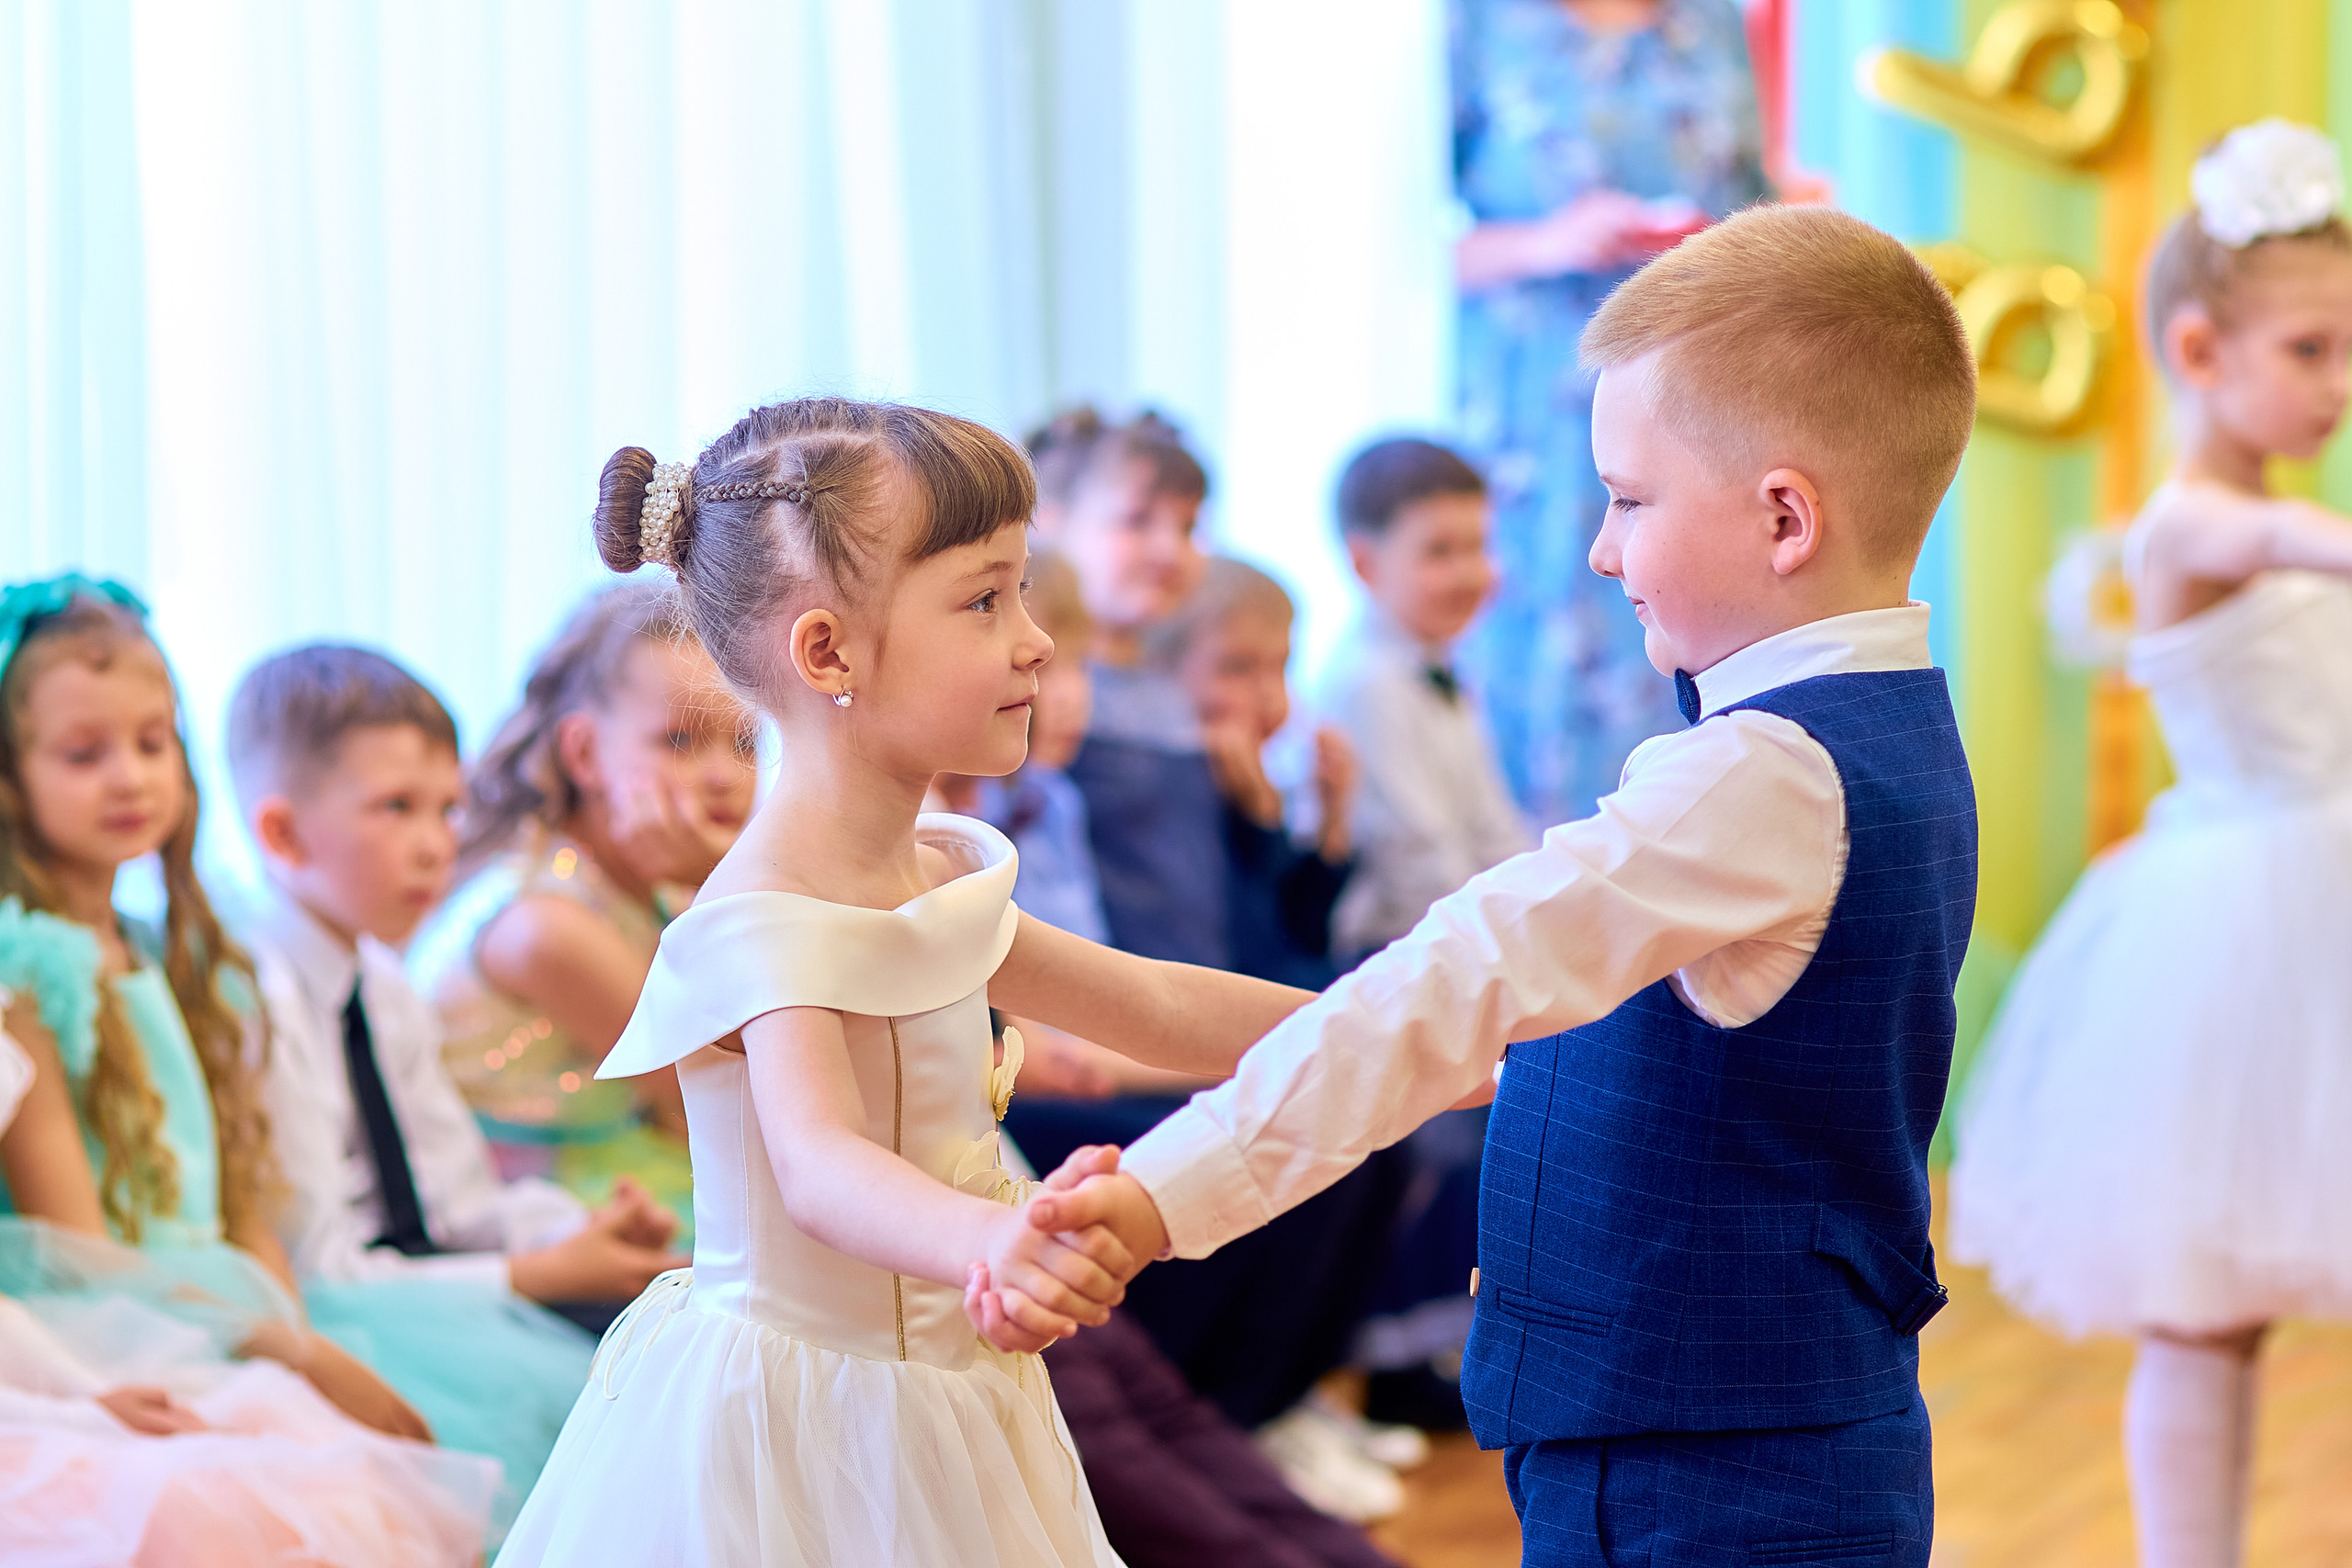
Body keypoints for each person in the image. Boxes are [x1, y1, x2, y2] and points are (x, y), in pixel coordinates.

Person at [996, 204, 1983, 1566]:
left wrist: (1165, 1192)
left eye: (1628, 500)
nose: (1599, 547)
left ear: (1784, 516)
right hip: (1751, 1434)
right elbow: (1496, 1033)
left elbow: (1460, 976)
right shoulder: (1883, 730)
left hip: (1703, 1465)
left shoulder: (1760, 775)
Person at [498, 397, 1149, 1565]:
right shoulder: (760, 917)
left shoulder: (934, 878)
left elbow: (1154, 1005)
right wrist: (988, 1241)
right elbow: (819, 1167)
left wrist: (1416, 1035)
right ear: (828, 652)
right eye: (985, 599)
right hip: (799, 1427)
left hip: (953, 1396)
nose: (1036, 639)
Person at [1951, 119, 2352, 1568]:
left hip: (2322, 900)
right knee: (2204, 1302)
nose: (2340, 384)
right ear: (2198, 348)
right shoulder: (2191, 522)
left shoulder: (2280, 517)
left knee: (2242, 1307)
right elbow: (2292, 553)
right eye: (2312, 349)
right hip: (2242, 919)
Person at [227, 642, 686, 1524]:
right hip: (347, 1319)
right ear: (282, 834)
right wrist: (534, 1271)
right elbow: (320, 1268)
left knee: (670, 1369)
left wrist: (575, 1229)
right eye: (396, 808)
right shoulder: (257, 1001)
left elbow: (453, 1197)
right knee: (591, 1438)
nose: (437, 843)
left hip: (428, 1290)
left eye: (448, 808)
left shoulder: (383, 986)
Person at [0, 576, 436, 1449]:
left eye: (151, 743)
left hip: (228, 1307)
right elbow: (78, 1253)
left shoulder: (182, 960)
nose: (128, 776)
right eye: (84, 755)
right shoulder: (24, 980)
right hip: (114, 1326)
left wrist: (296, 1336)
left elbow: (242, 1201)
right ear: (9, 780)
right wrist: (284, 1350)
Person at [0, 1021, 501, 1565]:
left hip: (74, 1356)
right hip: (76, 1357)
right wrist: (84, 1413)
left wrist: (87, 1392)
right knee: (202, 1514)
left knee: (335, 1485)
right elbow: (84, 1256)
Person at [1452, 0, 1769, 823]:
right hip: (1534, 418)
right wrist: (1552, 241)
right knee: (1529, 641)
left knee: (1688, 604)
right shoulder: (1476, 24)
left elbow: (1758, 204)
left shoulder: (1711, 22)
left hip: (1693, 385)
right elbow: (1398, 245)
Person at [408, 582, 756, 1234]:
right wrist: (725, 879)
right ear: (584, 754)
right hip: (541, 1215)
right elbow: (733, 1093)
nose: (724, 775)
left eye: (745, 742)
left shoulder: (649, 887)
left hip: (625, 1173)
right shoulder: (546, 924)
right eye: (679, 740)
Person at [1318, 436, 1531, 964]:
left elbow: (1491, 828)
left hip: (1446, 939)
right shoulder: (1369, 684)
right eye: (1440, 552)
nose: (1468, 573)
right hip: (1386, 957)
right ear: (1366, 565)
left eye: (1478, 547)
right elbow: (1417, 863)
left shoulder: (1440, 667)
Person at [1029, 408, 1224, 968]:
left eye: (1188, 528)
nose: (1169, 549)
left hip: (1188, 982)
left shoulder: (1174, 689)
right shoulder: (1041, 695)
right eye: (1137, 521)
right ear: (1052, 523)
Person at [1151, 557, 1359, 992]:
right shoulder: (1169, 789)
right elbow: (1252, 961)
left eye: (1282, 667)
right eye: (1237, 668)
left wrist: (1331, 821)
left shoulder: (1250, 780)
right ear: (1161, 669)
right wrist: (1259, 817)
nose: (1269, 694)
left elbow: (1301, 938)